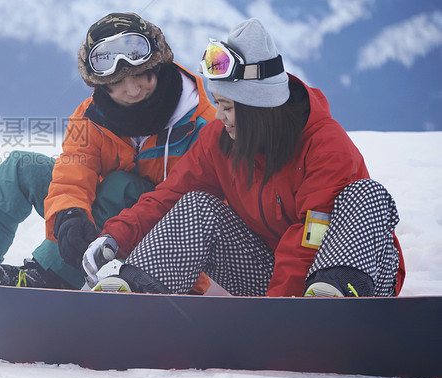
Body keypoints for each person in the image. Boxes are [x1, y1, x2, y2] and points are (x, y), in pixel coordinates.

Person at [0, 12, 216, 290]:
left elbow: (204, 211)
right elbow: (74, 172)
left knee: (120, 185)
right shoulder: (92, 117)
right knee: (21, 166)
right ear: (100, 84)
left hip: (164, 252)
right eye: (117, 82)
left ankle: (47, 277)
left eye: (142, 75)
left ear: (157, 67)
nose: (132, 89)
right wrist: (69, 215)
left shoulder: (201, 124)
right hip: (101, 230)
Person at [84, 18, 405, 297]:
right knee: (198, 206)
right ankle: (136, 298)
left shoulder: (325, 144)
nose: (219, 116)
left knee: (366, 195)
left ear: (258, 106)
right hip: (278, 279)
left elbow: (310, 236)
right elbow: (169, 196)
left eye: (227, 106)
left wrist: (279, 312)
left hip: (359, 275)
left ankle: (330, 301)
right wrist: (116, 235)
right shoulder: (219, 141)